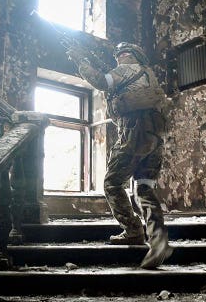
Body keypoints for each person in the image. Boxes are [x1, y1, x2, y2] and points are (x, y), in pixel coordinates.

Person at [66, 42, 172, 269]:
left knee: (112, 183)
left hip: (135, 133)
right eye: (118, 54)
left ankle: (133, 230)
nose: (120, 56)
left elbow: (101, 82)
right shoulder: (149, 74)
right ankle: (159, 240)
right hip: (154, 136)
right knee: (143, 187)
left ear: (135, 56)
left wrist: (80, 61)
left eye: (125, 53)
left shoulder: (127, 69)